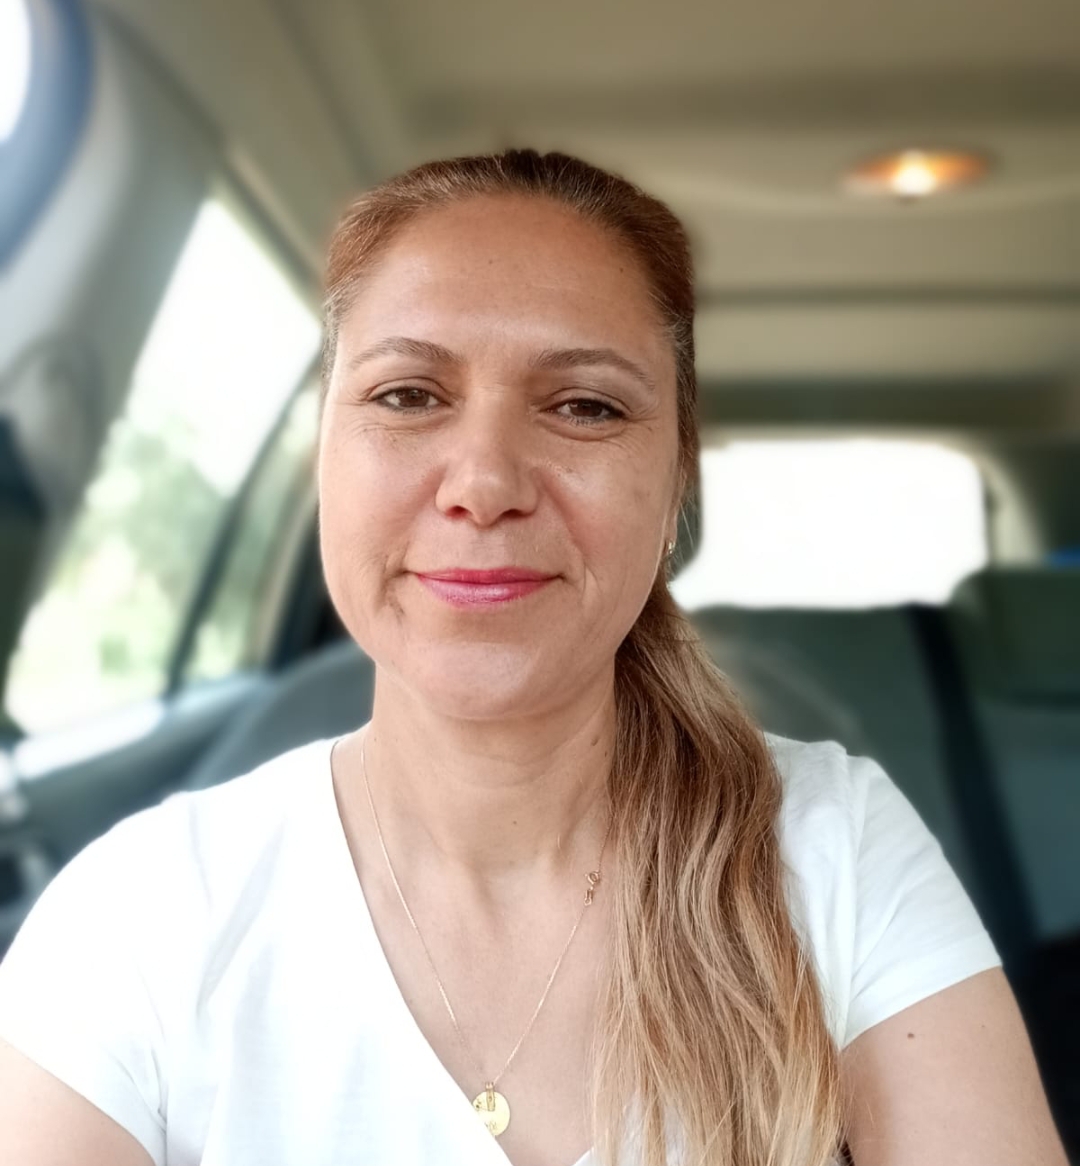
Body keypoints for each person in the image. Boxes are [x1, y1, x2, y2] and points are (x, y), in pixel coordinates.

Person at [0, 149, 1068, 1166]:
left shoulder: (834, 851)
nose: (484, 482)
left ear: (676, 489)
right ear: (323, 457)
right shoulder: (137, 919)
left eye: (585, 406)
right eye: (408, 394)